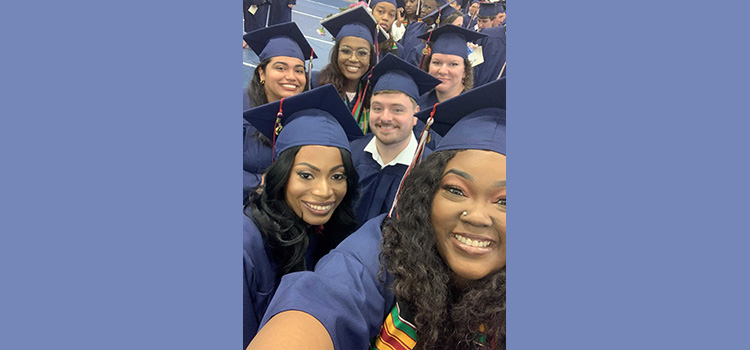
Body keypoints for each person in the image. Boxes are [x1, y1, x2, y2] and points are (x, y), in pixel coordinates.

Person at [248, 77, 507, 350]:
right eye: (456, 190)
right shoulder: (388, 248)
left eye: (506, 201)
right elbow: (327, 296)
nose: (477, 216)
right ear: (427, 192)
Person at [242, 84, 365, 348]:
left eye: (337, 176)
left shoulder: (320, 228)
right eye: (306, 175)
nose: (324, 192)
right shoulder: (245, 247)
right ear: (281, 175)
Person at [350, 53, 441, 223]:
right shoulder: (350, 154)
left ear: (416, 116)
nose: (385, 118)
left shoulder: (430, 171)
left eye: (397, 110)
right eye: (377, 108)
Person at [242, 22, 317, 201]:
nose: (291, 77)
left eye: (299, 70)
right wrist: (257, 182)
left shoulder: (307, 113)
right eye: (280, 68)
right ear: (262, 72)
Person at [315, 5, 379, 133]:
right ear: (336, 53)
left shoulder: (375, 95)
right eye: (346, 51)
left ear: (371, 58)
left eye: (362, 53)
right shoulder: (316, 86)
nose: (354, 59)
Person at [417, 24, 486, 110]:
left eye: (453, 64)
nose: (443, 71)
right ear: (428, 66)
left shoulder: (475, 111)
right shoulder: (418, 105)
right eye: (436, 62)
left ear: (465, 71)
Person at [472, 2, 506, 87]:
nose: (480, 24)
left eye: (484, 21)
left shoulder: (496, 38)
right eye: (478, 20)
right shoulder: (480, 36)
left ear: (493, 20)